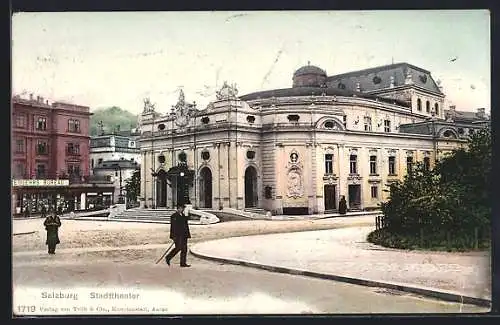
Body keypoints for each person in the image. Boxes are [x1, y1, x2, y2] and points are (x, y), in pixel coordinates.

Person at [165, 203, 191, 267]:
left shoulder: (183, 215)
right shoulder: (174, 216)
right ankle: (168, 257)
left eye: (183, 208)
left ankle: (183, 263)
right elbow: (173, 227)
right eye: (182, 208)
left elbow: (186, 226)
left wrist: (187, 234)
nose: (183, 209)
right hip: (177, 236)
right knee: (178, 248)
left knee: (184, 249)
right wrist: (173, 236)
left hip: (184, 235)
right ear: (178, 208)